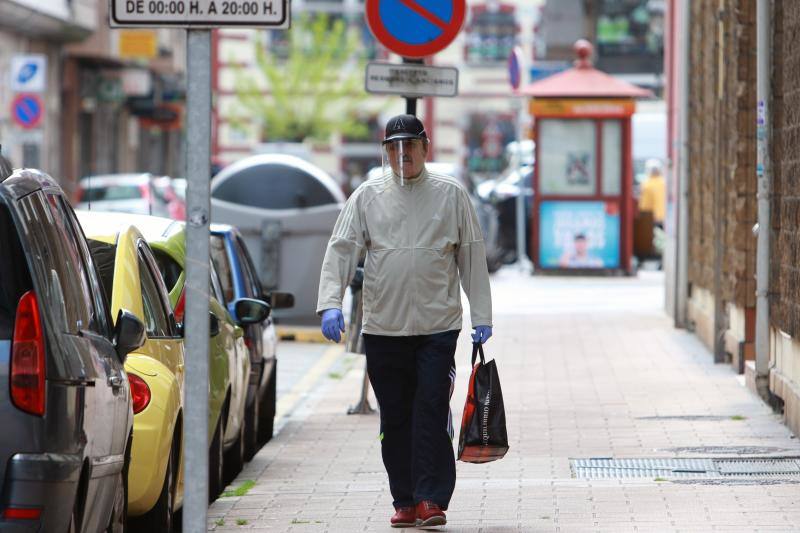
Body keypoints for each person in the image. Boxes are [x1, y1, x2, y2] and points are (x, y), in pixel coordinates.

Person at [317, 114, 493, 528]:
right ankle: (405, 500)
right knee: (394, 416)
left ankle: (432, 498)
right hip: (384, 327)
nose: (402, 154)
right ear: (385, 151)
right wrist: (330, 302)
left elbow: (471, 254)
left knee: (430, 408)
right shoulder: (367, 195)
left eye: (409, 146)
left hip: (437, 326)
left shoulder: (450, 195)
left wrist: (481, 314)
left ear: (424, 147)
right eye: (394, 147)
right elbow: (342, 249)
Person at [638, 158, 666, 227]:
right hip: (660, 218)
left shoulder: (646, 184)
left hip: (649, 217)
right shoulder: (663, 183)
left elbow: (644, 204)